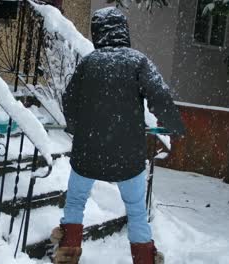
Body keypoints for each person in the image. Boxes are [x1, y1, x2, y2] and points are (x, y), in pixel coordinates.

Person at [50, 7, 185, 264]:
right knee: (136, 210)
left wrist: (78, 129)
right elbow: (159, 96)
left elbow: (69, 100)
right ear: (123, 31)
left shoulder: (88, 62)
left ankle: (68, 251)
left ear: (98, 33)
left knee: (76, 200)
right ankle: (145, 258)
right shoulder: (138, 61)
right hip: (128, 157)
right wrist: (175, 126)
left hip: (87, 154)